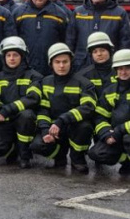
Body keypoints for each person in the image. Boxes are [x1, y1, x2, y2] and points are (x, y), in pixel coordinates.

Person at [29, 43, 96, 173]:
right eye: (57, 62)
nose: (61, 66)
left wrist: (62, 120)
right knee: (37, 145)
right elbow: (43, 110)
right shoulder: (45, 82)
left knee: (85, 127)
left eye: (65, 61)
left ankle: (77, 158)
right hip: (52, 128)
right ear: (51, 64)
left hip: (73, 125)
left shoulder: (83, 83)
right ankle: (59, 155)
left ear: (70, 62)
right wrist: (44, 131)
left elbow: (88, 107)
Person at [89, 49, 130, 178]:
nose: (123, 72)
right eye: (119, 69)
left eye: (126, 69)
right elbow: (99, 116)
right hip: (116, 135)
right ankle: (127, 160)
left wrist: (119, 131)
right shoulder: (110, 91)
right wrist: (106, 134)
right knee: (95, 153)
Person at [0, 37, 43, 168]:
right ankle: (13, 148)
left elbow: (33, 98)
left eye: (15, 55)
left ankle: (24, 154)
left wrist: (7, 109)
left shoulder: (34, 76)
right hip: (5, 120)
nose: (11, 58)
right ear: (3, 57)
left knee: (26, 115)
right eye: (8, 55)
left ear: (22, 56)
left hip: (25, 121)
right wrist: (1, 110)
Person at [66, 0, 130, 70]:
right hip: (81, 65)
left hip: (109, 67)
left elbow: (125, 42)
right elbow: (70, 40)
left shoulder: (119, 13)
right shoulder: (78, 12)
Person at [12, 0, 68, 76]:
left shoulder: (59, 14)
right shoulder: (19, 13)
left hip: (50, 67)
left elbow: (65, 40)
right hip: (25, 67)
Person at [77, 32, 116, 97]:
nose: (99, 54)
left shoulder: (120, 72)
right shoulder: (83, 75)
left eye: (102, 50)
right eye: (95, 52)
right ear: (91, 55)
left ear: (110, 51)